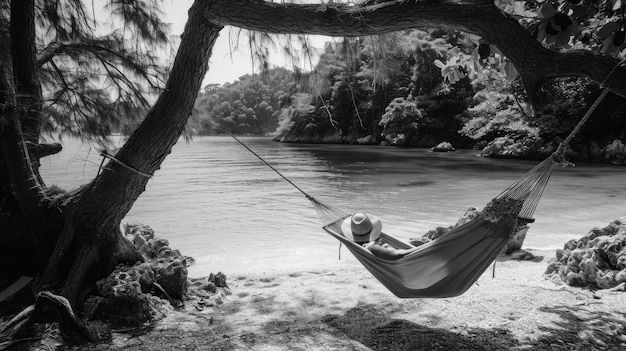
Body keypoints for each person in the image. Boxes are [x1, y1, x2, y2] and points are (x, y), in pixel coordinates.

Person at [341, 212, 414, 260]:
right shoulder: (371, 247)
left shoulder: (369, 244)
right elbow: (394, 254)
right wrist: (415, 252)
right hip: (407, 260)